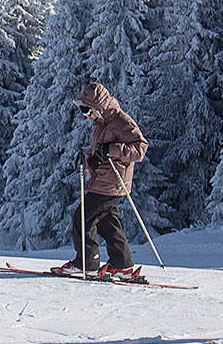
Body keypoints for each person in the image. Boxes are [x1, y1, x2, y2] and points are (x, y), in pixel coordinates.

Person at [50, 82, 150, 283]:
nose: (86, 116)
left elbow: (140, 148)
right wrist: (89, 158)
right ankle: (122, 265)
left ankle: (86, 263)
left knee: (83, 215)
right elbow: (100, 151)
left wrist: (110, 150)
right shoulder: (101, 123)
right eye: (82, 111)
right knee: (106, 221)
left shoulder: (121, 121)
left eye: (87, 110)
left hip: (113, 181)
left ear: (99, 106)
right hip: (103, 180)